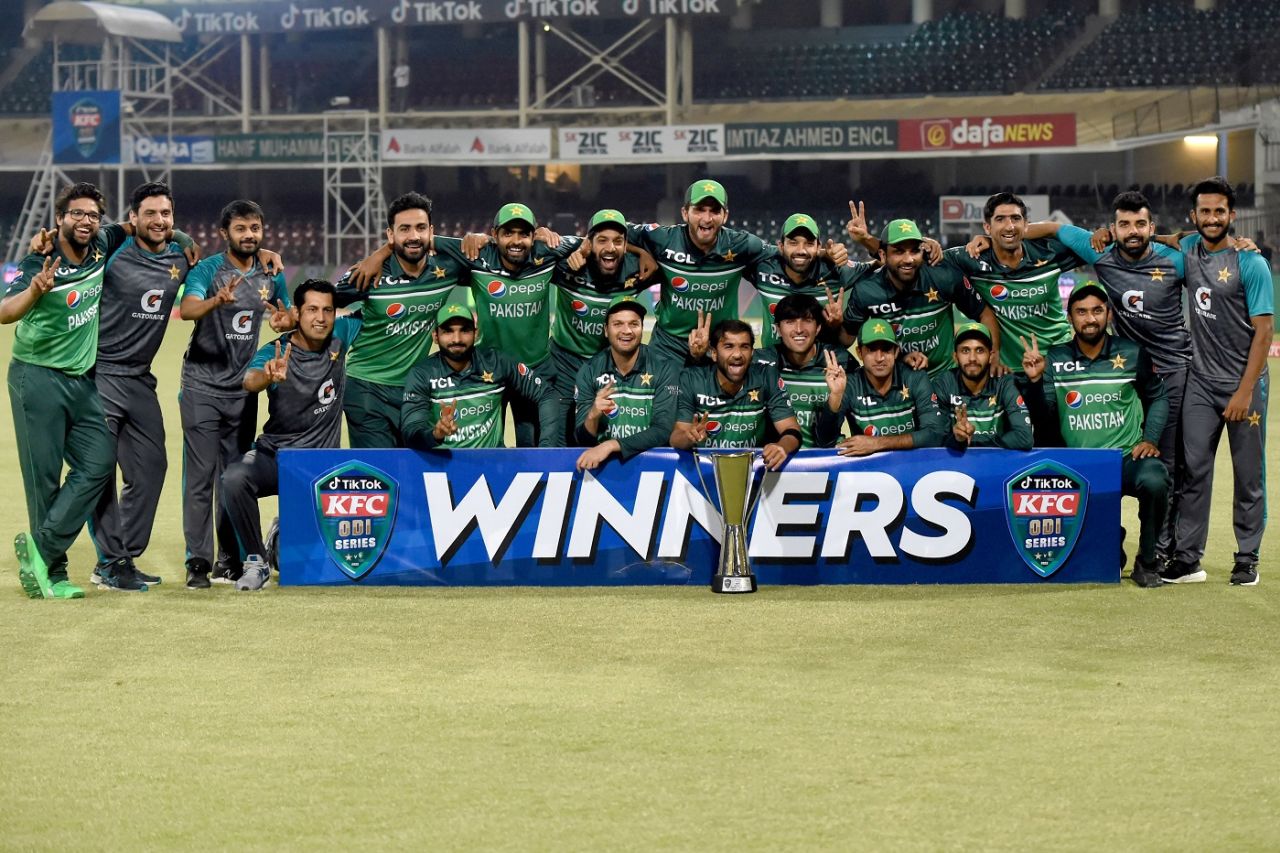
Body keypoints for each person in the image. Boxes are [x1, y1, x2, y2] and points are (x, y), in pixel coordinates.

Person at [971, 191, 1189, 560]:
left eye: (1096, 311)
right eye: (1000, 222)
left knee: (1165, 468)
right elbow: (1055, 227)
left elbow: (1064, 231)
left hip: (1139, 365)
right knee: (1043, 450)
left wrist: (1165, 238)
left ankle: (1155, 552)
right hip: (1024, 372)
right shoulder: (976, 258)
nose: (1090, 318)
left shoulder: (1125, 347)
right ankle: (1085, 539)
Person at [2, 183, 132, 597]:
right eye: (77, 213)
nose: (86, 221)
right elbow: (4, 312)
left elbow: (136, 226)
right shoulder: (36, 260)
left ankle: (41, 549)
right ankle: (52, 575)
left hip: (81, 382)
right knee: (43, 478)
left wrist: (182, 240)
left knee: (99, 461)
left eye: (93, 214)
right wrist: (34, 290)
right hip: (36, 378)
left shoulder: (101, 244)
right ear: (59, 218)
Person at [1022, 280, 1170, 588]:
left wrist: (1150, 438)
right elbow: (1043, 419)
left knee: (1155, 478)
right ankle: (1110, 539)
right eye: (1081, 312)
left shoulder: (1132, 353)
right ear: (1070, 317)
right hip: (1079, 465)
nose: (1090, 318)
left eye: (1097, 311)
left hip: (1126, 459)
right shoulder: (1056, 358)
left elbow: (1158, 397)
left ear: (1109, 315)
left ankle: (1148, 560)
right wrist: (1035, 383)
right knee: (1102, 559)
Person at [1164, 177, 1273, 586]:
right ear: (1194, 216)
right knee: (1193, 471)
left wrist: (1244, 392)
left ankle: (1247, 557)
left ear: (1232, 215)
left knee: (1248, 476)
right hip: (1200, 384)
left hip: (1245, 386)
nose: (1212, 219)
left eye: (1219, 211)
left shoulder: (1252, 262)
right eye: (1204, 211)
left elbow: (1264, 333)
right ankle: (1188, 558)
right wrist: (1108, 232)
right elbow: (1159, 237)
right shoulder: (1189, 247)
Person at [179, 199, 293, 589]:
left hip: (243, 389)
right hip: (201, 386)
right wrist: (216, 300)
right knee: (199, 475)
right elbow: (189, 308)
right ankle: (197, 561)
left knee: (230, 475)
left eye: (255, 229)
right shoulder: (210, 270)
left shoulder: (270, 272)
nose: (249, 235)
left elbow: (288, 315)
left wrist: (284, 320)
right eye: (241, 229)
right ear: (223, 233)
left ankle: (228, 558)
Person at [221, 279, 359, 591]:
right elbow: (249, 381)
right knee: (234, 478)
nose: (320, 318)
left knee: (296, 563)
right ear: (297, 313)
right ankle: (255, 562)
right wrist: (267, 375)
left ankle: (282, 532)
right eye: (311, 310)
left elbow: (373, 297)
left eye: (327, 310)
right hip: (277, 457)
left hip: (321, 469)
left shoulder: (342, 335)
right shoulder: (276, 350)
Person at [87, 182, 191, 589]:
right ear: (133, 218)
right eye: (150, 213)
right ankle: (112, 562)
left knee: (151, 468)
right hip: (101, 374)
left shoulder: (181, 257)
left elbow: (213, 258)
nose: (159, 220)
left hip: (140, 380)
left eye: (166, 213)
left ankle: (121, 557)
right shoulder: (111, 252)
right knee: (98, 471)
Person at [432, 203, 582, 447]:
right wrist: (380, 255)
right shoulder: (478, 256)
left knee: (533, 451)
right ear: (494, 235)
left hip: (535, 371)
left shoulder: (545, 254)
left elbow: (596, 242)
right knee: (485, 450)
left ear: (534, 236)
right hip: (489, 373)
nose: (516, 241)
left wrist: (549, 233)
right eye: (508, 233)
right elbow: (423, 240)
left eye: (524, 234)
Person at [336, 192, 470, 448]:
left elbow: (490, 258)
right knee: (382, 474)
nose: (413, 236)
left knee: (415, 471)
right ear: (390, 235)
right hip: (367, 389)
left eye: (420, 228)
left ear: (431, 231)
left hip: (414, 390)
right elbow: (324, 299)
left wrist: (477, 238)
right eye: (404, 229)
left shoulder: (447, 269)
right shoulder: (369, 274)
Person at [625, 180, 772, 366]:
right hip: (668, 347)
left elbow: (785, 254)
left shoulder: (742, 245)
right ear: (685, 213)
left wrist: (821, 254)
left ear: (725, 215)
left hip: (719, 346)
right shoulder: (663, 239)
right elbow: (611, 230)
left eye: (715, 211)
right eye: (700, 209)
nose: (707, 218)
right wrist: (641, 251)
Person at [842, 216, 998, 378]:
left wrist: (995, 356)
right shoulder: (867, 290)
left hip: (945, 380)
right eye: (899, 251)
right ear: (882, 255)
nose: (908, 259)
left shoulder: (944, 277)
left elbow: (984, 313)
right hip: (894, 383)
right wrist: (832, 324)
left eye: (915, 250)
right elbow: (847, 338)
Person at [552, 209, 653, 445]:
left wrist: (642, 252)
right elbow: (535, 244)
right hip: (564, 362)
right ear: (588, 243)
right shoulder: (569, 261)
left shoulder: (636, 268)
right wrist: (541, 232)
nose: (610, 248)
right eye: (602, 240)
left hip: (606, 365)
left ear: (626, 245)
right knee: (558, 439)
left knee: (603, 433)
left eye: (618, 241)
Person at [400, 301, 561, 449]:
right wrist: (436, 434)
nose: (457, 339)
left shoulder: (497, 363)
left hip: (493, 466)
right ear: (435, 336)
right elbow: (410, 431)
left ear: (475, 333)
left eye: (465, 330)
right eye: (448, 331)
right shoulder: (422, 374)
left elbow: (547, 393)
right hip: (442, 468)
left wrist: (546, 449)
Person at [670, 319, 801, 471]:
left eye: (744, 347)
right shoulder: (692, 378)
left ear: (752, 352)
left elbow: (791, 429)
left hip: (752, 470)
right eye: (728, 346)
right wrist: (689, 437)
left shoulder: (766, 375)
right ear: (713, 353)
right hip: (704, 470)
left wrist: (782, 446)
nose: (737, 354)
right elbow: (676, 437)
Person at [573, 294, 680, 470]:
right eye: (618, 324)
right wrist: (592, 415)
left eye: (633, 324)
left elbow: (663, 431)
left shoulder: (665, 368)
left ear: (641, 328)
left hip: (654, 467)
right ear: (606, 330)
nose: (627, 331)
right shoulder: (589, 370)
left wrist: (611, 445)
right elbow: (582, 440)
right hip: (603, 468)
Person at [830, 320, 946, 457]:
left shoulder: (915, 378)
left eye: (886, 349)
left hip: (914, 465)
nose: (879, 358)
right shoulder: (850, 384)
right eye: (871, 349)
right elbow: (825, 440)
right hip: (866, 471)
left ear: (896, 352)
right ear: (859, 352)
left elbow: (935, 434)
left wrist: (877, 443)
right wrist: (835, 398)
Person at [752, 293, 853, 448]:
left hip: (825, 458)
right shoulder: (760, 362)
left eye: (807, 320)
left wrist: (836, 397)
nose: (799, 329)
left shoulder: (841, 360)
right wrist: (699, 357)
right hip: (776, 458)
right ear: (778, 329)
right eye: (790, 321)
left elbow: (827, 440)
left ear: (818, 327)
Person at [746, 212, 850, 349]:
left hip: (821, 365)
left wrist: (865, 240)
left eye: (809, 243)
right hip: (773, 362)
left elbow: (879, 264)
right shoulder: (763, 269)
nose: (801, 250)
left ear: (818, 247)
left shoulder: (838, 271)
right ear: (781, 246)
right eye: (793, 243)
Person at [932, 322, 1032, 450]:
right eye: (965, 350)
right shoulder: (943, 383)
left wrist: (968, 440)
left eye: (980, 350)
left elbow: (1024, 438)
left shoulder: (1004, 383)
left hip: (998, 464)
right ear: (955, 357)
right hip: (955, 467)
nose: (972, 358)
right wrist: (957, 438)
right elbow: (935, 438)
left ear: (991, 356)